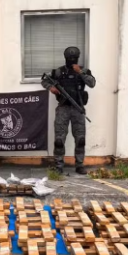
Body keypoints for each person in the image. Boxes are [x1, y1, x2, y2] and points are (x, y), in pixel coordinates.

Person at [41, 46, 96, 175]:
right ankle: (59, 165)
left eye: (74, 58)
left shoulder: (84, 70)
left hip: (78, 109)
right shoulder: (59, 72)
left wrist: (80, 72)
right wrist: (51, 88)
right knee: (59, 139)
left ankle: (79, 164)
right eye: (70, 58)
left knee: (80, 139)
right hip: (63, 108)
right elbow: (44, 80)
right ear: (65, 58)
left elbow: (92, 83)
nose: (72, 60)